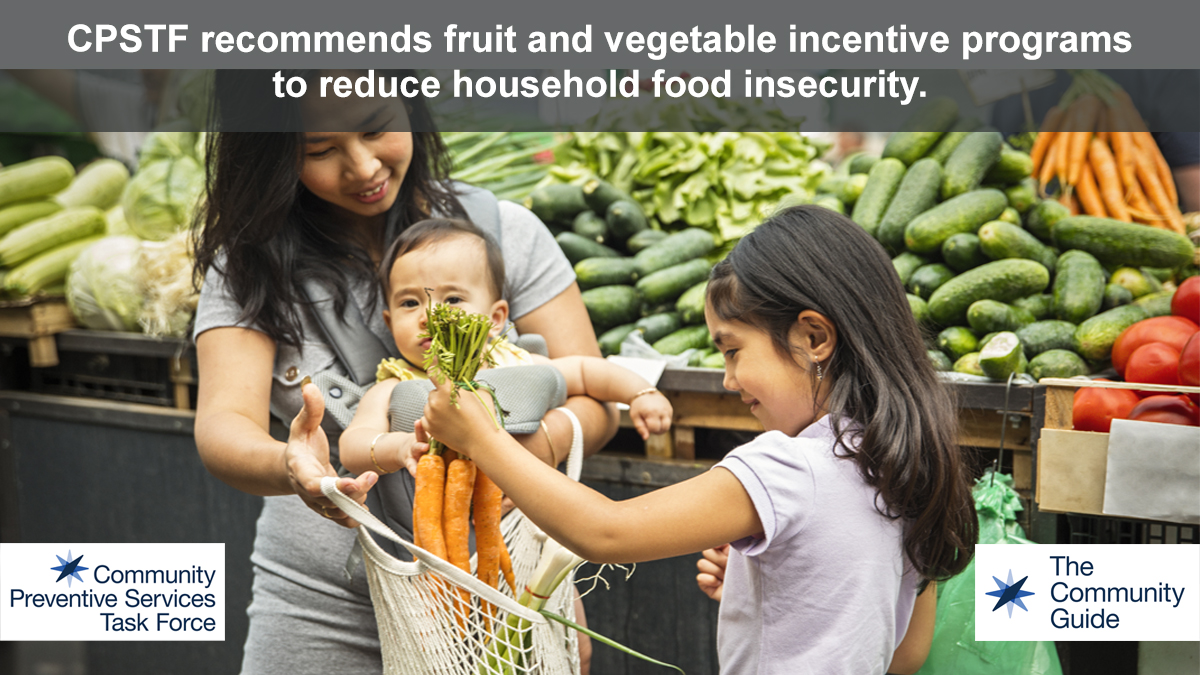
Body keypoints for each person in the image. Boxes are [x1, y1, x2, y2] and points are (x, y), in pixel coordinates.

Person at [415, 205, 979, 674]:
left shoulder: (787, 467)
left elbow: (608, 533)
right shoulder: (903, 467)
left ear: (813, 336)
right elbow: (905, 653)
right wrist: (772, 597)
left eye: (732, 350)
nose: (729, 380)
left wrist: (484, 438)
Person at [191, 69, 616, 675]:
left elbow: (594, 395)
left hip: (502, 590)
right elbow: (222, 427)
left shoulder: (504, 232)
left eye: (375, 128)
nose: (362, 166)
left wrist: (514, 452)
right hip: (321, 600)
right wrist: (294, 466)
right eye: (321, 149)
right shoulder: (249, 265)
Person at [339, 217, 673, 479]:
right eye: (410, 303)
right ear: (388, 321)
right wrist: (398, 449)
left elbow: (586, 371)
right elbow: (353, 446)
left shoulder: (517, 363)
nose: (430, 316)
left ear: (496, 318)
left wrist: (640, 393)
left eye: (452, 299)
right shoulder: (395, 384)